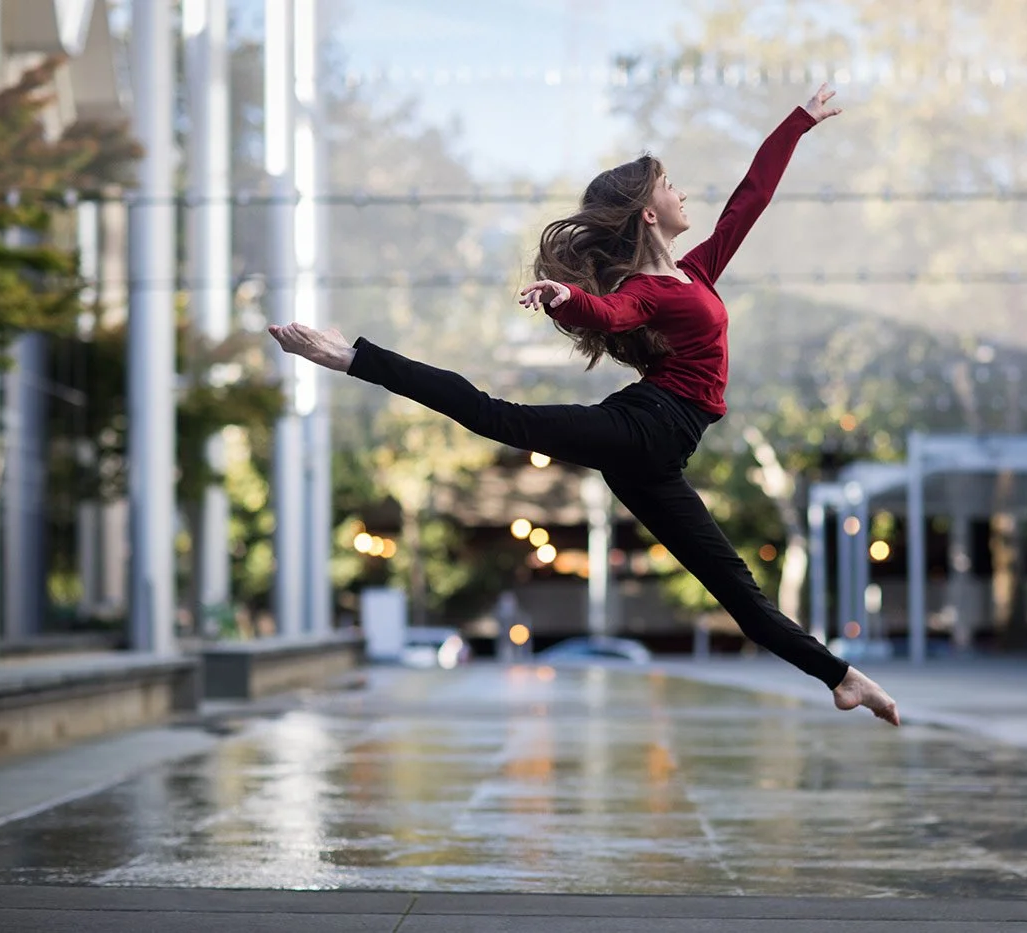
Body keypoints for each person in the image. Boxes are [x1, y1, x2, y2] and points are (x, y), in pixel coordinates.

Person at [269, 84, 899, 726]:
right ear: (648, 213)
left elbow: (752, 197)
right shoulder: (644, 290)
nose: (682, 192)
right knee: (495, 414)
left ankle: (841, 678)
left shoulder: (697, 272)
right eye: (669, 184)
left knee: (734, 586)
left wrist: (798, 123)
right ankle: (349, 357)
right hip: (642, 428)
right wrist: (564, 299)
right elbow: (610, 310)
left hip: (658, 455)